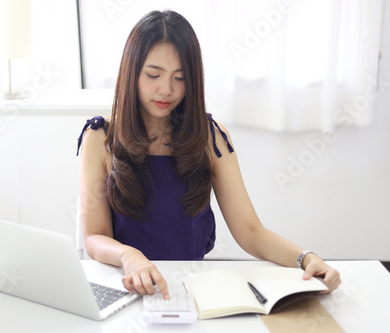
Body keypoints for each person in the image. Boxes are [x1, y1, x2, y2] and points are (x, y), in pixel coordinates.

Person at [77, 10, 340, 300]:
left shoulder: (210, 137)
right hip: (124, 285)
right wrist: (130, 256)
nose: (167, 90)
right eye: (153, 75)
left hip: (189, 290)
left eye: (180, 77)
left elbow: (250, 231)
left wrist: (305, 258)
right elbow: (94, 236)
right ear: (131, 73)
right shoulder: (100, 138)